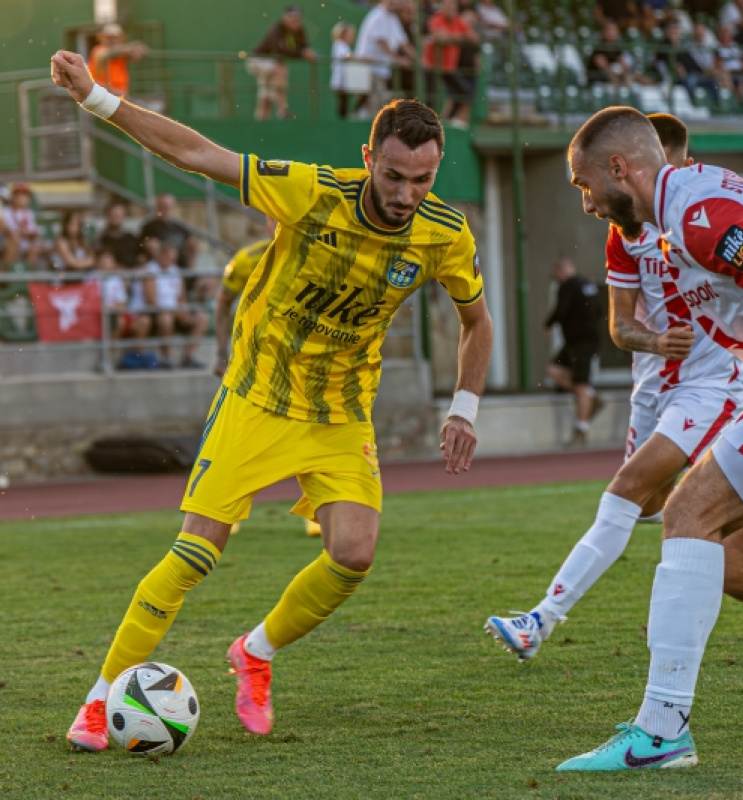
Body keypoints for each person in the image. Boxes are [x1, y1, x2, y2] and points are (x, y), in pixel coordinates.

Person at [51, 49, 492, 751]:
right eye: (393, 175)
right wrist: (99, 100)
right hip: (256, 397)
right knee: (196, 553)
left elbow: (478, 321)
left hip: (342, 413)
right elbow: (197, 153)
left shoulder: (444, 232)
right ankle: (100, 700)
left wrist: (463, 407)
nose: (406, 193)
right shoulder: (310, 191)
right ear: (367, 156)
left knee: (354, 553)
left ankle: (254, 653)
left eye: (423, 179)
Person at [554, 105, 743, 771]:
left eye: (585, 187)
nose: (586, 204)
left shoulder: (696, 216)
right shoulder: (678, 215)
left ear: (619, 169)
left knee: (691, 511)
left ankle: (660, 731)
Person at [486, 114, 743, 666]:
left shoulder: (709, 206)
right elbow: (619, 326)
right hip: (652, 388)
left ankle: (539, 620)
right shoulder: (626, 231)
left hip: (713, 384)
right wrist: (657, 343)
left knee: (626, 489)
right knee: (678, 517)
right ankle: (736, 502)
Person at [213, 218, 321, 537]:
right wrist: (222, 352)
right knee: (236, 437)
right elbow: (222, 304)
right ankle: (224, 510)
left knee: (314, 435)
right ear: (266, 222)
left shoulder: (318, 255)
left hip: (303, 366)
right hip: (253, 366)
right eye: (275, 217)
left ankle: (317, 514)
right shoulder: (247, 260)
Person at [543, 255, 604, 446]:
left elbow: (561, 310)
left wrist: (548, 324)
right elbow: (600, 312)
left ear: (561, 270)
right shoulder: (588, 285)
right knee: (553, 370)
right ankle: (591, 397)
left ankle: (582, 428)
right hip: (582, 342)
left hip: (580, 343)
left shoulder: (568, 286)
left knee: (580, 383)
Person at [135, 242, 208, 369]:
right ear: (160, 256)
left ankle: (188, 356)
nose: (171, 260)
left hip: (175, 312)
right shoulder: (150, 270)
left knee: (202, 317)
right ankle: (166, 357)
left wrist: (184, 312)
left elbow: (181, 298)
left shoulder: (175, 270)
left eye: (173, 258)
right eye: (168, 257)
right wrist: (178, 313)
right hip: (154, 313)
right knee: (165, 319)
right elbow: (151, 301)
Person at [247, 6, 317, 121]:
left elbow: (303, 47)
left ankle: (261, 122)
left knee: (266, 96)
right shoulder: (277, 28)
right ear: (285, 18)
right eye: (292, 18)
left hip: (271, 63)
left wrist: (307, 52)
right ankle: (282, 109)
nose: (295, 21)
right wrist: (302, 54)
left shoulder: (299, 30)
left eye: (297, 18)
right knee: (280, 69)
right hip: (258, 60)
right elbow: (279, 51)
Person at [423, 0, 480, 128]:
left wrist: (450, 37)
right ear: (442, 8)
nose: (450, 10)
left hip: (448, 68)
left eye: (452, 7)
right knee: (430, 99)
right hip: (432, 66)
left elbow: (475, 38)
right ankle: (428, 125)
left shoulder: (458, 20)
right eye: (447, 7)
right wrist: (461, 37)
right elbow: (439, 37)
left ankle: (448, 121)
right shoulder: (436, 18)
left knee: (464, 92)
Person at [353, 0, 415, 116]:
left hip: (381, 70)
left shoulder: (392, 18)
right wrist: (398, 59)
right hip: (369, 69)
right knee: (373, 103)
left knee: (377, 102)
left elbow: (403, 43)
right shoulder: (377, 16)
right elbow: (381, 42)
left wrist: (418, 59)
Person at [87, 23, 148, 96]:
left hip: (120, 93)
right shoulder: (98, 50)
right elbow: (104, 54)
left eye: (115, 37)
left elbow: (136, 57)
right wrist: (130, 48)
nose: (112, 40)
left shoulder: (122, 53)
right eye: (109, 37)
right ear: (102, 38)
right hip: (103, 93)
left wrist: (138, 50)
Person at [2, 183, 46, 268]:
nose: (22, 198)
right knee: (14, 240)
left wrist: (30, 233)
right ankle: (8, 274)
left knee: (35, 248)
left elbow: (33, 231)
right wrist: (20, 232)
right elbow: (5, 230)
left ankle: (26, 277)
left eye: (25, 195)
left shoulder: (30, 213)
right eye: (19, 194)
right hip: (10, 245)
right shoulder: (6, 211)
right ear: (13, 196)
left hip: (26, 245)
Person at [94, 200, 142, 269]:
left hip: (135, 275)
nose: (116, 217)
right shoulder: (101, 239)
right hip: (113, 277)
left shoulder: (131, 237)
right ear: (107, 216)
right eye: (114, 214)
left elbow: (141, 257)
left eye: (119, 214)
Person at [330, 22, 358, 119]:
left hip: (345, 79)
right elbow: (345, 56)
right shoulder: (339, 44)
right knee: (343, 101)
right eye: (350, 35)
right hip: (341, 80)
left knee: (345, 101)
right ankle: (344, 118)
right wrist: (359, 57)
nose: (351, 37)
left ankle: (349, 114)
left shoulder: (344, 46)